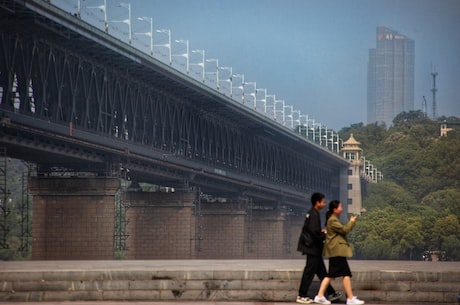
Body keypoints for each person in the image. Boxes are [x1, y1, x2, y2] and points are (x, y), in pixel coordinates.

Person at [313, 200, 365, 305]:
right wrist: (352, 221)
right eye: (340, 207)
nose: (341, 208)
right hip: (336, 251)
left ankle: (320, 296)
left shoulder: (333, 219)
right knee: (342, 274)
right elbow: (344, 230)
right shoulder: (333, 220)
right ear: (335, 209)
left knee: (333, 275)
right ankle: (349, 298)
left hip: (336, 251)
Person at [296, 193, 342, 304]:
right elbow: (314, 232)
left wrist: (321, 233)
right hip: (312, 248)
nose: (324, 204)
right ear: (317, 203)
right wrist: (324, 235)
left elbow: (313, 230)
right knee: (309, 272)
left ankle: (331, 293)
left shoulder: (313, 213)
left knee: (321, 271)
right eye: (323, 202)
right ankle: (302, 295)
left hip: (312, 248)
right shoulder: (314, 214)